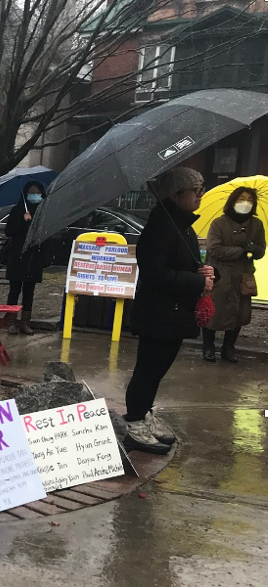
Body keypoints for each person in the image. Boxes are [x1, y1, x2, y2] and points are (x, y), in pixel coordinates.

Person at [125, 167, 215, 455]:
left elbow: (182, 267)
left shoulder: (181, 225)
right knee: (147, 371)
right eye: (196, 191)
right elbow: (156, 274)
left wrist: (206, 272)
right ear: (177, 195)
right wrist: (198, 280)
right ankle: (135, 424)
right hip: (158, 314)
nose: (200, 196)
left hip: (174, 313)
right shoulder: (160, 228)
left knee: (157, 371)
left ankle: (144, 415)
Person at [202, 187, 266, 363]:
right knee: (214, 311)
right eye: (241, 199)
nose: (245, 203)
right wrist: (240, 251)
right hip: (221, 274)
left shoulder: (257, 225)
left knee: (239, 313)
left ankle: (229, 347)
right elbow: (214, 248)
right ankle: (208, 346)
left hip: (243, 276)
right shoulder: (219, 223)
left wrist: (255, 250)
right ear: (233, 201)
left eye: (249, 200)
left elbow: (261, 249)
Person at [5, 181, 49, 335]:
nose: (34, 195)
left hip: (33, 257)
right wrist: (22, 222)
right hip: (18, 257)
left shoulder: (43, 212)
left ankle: (25, 322)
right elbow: (9, 231)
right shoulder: (17, 210)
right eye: (31, 192)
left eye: (37, 192)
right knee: (14, 290)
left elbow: (44, 234)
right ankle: (11, 322)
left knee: (29, 291)